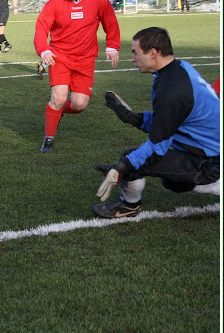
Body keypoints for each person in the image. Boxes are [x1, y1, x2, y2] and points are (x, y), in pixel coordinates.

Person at [92, 27, 220, 218]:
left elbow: (158, 145)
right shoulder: (177, 69)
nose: (133, 59)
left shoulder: (172, 90)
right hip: (206, 151)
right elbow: (170, 121)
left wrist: (122, 167)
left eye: (135, 52)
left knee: (134, 161)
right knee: (171, 182)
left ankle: (129, 205)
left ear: (153, 53)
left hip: (211, 161)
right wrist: (134, 118)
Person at [33, 0, 120, 153]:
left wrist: (113, 46)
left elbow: (110, 23)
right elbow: (41, 27)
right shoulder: (56, 2)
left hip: (85, 60)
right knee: (59, 98)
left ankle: (57, 112)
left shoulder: (98, 0)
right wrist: (44, 50)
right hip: (60, 57)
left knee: (79, 105)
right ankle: (49, 139)